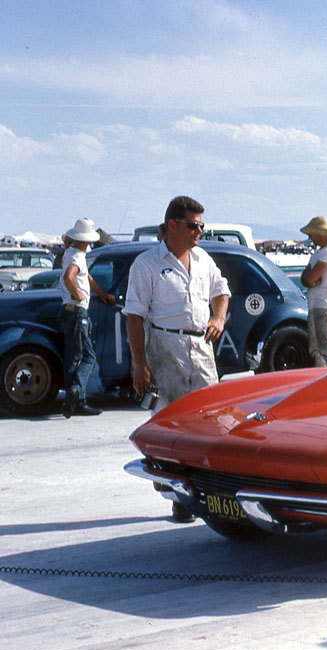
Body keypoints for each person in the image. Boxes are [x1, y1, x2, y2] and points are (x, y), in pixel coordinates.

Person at [124, 196, 230, 523]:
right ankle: (179, 497)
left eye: (202, 225)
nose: (199, 231)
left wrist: (219, 318)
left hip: (201, 349)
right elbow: (134, 317)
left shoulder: (203, 260)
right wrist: (140, 364)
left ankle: (215, 494)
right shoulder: (147, 264)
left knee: (212, 421)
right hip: (165, 347)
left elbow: (222, 292)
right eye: (193, 225)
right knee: (173, 426)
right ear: (173, 225)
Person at [58, 218, 115, 417]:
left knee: (75, 356)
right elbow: (69, 276)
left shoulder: (71, 253)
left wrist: (100, 293)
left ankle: (76, 400)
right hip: (77, 311)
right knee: (86, 357)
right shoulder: (76, 256)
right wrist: (77, 294)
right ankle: (75, 392)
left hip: (68, 312)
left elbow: (86, 277)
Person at [299, 216, 327, 366]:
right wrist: (308, 279)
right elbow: (307, 279)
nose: (310, 237)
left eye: (311, 234)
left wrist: (309, 279)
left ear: (320, 233)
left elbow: (309, 278)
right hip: (321, 305)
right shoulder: (322, 253)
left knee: (323, 353)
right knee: (321, 350)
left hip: (323, 306)